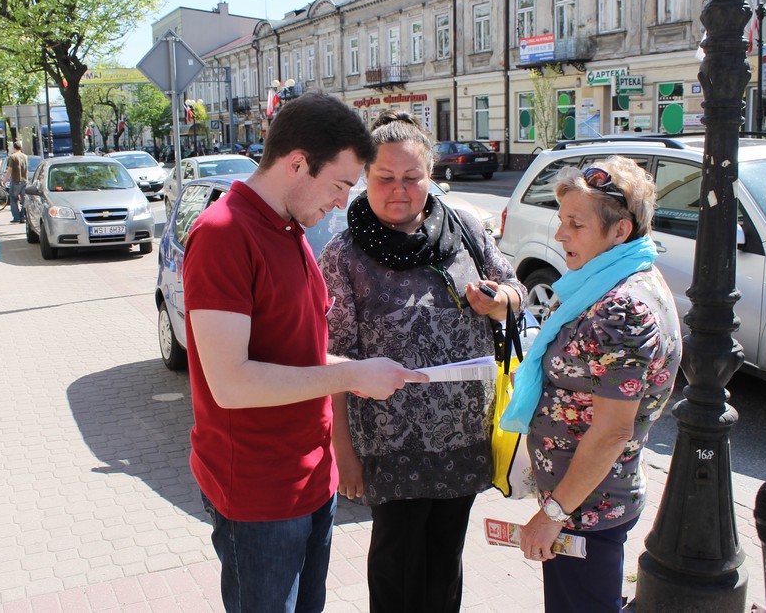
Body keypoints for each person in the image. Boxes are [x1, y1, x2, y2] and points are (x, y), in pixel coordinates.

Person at [182, 91, 428, 612]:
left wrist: (359, 373)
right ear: (297, 163)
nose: (343, 202)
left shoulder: (289, 227)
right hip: (260, 491)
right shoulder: (225, 234)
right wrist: (350, 375)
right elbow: (231, 383)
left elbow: (299, 355)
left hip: (310, 478)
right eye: (340, 185)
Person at [318, 111, 527, 613]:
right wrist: (343, 453)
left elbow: (518, 290)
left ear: (432, 176)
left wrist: (499, 302)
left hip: (463, 433)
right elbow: (333, 361)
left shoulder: (466, 229)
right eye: (385, 178)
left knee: (445, 557)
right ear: (366, 178)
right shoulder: (343, 254)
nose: (399, 190)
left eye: (412, 177)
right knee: (396, 563)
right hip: (389, 441)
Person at [505, 157, 682, 612]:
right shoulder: (619, 279)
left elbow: (612, 432)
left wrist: (552, 516)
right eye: (562, 221)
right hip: (588, 501)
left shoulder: (622, 308)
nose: (561, 234)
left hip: (586, 508)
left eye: (576, 225)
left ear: (620, 231)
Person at [5, 140, 28, 224]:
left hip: (15, 180)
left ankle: (16, 217)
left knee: (13, 199)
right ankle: (23, 216)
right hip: (24, 180)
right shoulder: (25, 156)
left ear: (14, 148)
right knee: (24, 199)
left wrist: (5, 180)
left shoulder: (12, 157)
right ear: (21, 148)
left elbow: (9, 170)